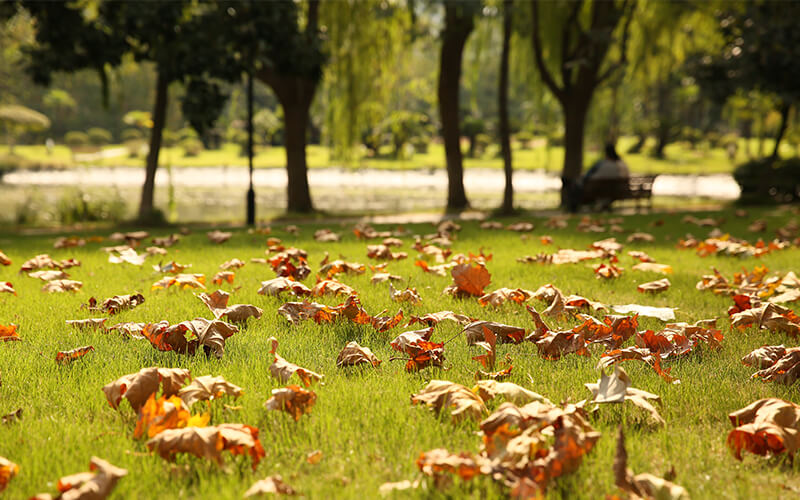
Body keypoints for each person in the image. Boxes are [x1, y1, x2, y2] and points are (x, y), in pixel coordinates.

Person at [567, 143, 630, 212]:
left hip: (594, 190)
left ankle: (573, 208)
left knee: (574, 185)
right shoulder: (618, 164)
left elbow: (587, 176)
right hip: (614, 191)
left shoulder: (602, 164)